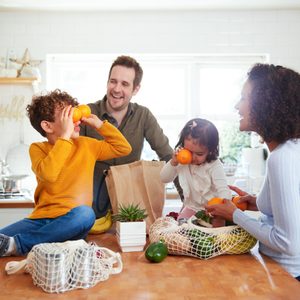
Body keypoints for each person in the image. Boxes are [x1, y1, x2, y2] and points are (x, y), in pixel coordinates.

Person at [0, 89, 131, 257]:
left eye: (74, 112)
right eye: (67, 116)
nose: (75, 119)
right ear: (47, 126)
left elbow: (123, 148)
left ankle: (18, 245)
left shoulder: (87, 145)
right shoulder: (38, 149)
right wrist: (65, 137)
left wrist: (100, 125)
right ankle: (38, 242)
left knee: (86, 213)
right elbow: (49, 174)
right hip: (40, 221)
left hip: (73, 222)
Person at [205, 63, 300, 280]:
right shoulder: (292, 149)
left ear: (267, 105)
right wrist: (256, 202)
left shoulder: (282, 158)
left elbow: (288, 243)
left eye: (244, 98)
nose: (237, 106)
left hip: (287, 279)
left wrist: (235, 214)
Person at [80, 55, 182, 229]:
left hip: (129, 207)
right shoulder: (87, 113)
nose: (117, 89)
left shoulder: (144, 116)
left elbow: (167, 155)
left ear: (136, 89)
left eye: (125, 84)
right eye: (113, 81)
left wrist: (186, 198)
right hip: (89, 206)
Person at [160, 118, 232, 224]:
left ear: (210, 151)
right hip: (191, 208)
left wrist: (223, 209)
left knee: (216, 232)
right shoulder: (181, 161)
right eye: (189, 151)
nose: (193, 158)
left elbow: (223, 190)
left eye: (199, 154)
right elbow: (164, 178)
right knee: (182, 228)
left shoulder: (214, 165)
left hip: (213, 211)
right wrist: (173, 162)